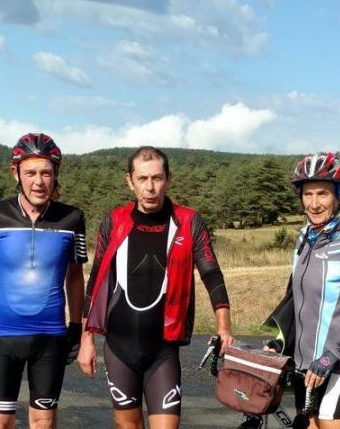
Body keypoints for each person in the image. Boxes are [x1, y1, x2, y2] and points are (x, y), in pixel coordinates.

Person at [77, 146, 233, 429]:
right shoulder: (115, 221)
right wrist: (86, 339)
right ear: (130, 180)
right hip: (119, 346)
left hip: (163, 348)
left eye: (157, 178)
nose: (150, 188)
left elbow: (212, 274)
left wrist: (224, 326)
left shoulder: (188, 221)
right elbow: (96, 279)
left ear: (168, 178)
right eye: (142, 179)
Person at [0, 133, 87, 429]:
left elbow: (75, 277)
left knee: (43, 423)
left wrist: (77, 327)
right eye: (31, 173)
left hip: (50, 336)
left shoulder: (72, 219)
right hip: (3, 335)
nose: (39, 181)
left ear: (55, 174)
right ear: (16, 173)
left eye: (46, 173)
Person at [256, 152, 340, 429]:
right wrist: (279, 342)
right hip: (303, 366)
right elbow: (296, 300)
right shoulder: (304, 238)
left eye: (323, 194)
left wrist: (334, 352)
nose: (314, 203)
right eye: (308, 194)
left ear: (338, 196)